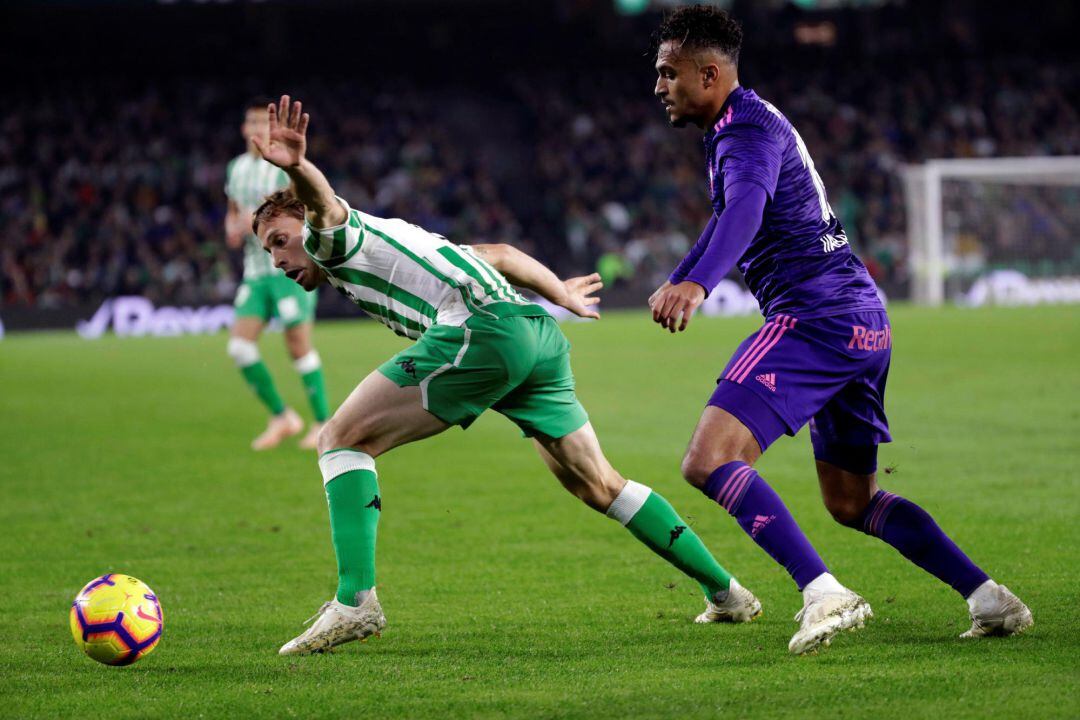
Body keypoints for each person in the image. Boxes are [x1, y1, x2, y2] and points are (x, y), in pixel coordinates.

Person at [250, 95, 760, 655]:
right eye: (267, 250)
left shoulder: (335, 240)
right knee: (597, 483)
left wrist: (298, 169)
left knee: (340, 439)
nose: (276, 259)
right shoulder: (397, 238)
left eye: (279, 241)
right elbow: (501, 253)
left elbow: (322, 207)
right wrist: (559, 293)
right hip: (535, 332)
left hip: (482, 330)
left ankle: (356, 602)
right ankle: (727, 592)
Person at [647, 6, 1032, 654]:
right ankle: (989, 598)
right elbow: (725, 221)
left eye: (668, 73)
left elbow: (744, 210)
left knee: (709, 459)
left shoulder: (745, 133)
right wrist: (683, 272)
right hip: (862, 322)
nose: (659, 86)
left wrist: (699, 283)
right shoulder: (744, 128)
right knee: (852, 501)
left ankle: (823, 591)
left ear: (708, 74)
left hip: (816, 317)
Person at [224, 101, 330, 450]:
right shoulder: (236, 168)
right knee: (239, 347)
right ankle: (282, 416)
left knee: (297, 346)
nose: (256, 128)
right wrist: (232, 226)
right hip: (254, 272)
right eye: (251, 121)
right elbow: (234, 210)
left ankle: (321, 423)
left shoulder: (280, 168)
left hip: (290, 268)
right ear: (243, 129)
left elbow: (301, 208)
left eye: (261, 122)